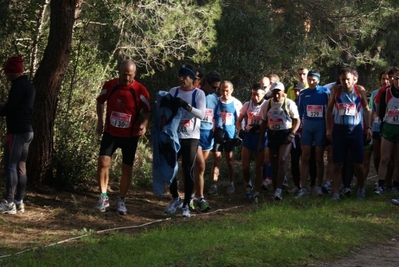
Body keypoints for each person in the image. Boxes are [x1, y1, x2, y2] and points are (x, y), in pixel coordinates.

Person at [95, 59, 151, 215]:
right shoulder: (110, 85)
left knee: (127, 167)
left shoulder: (140, 90)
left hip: (130, 135)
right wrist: (100, 121)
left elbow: (147, 110)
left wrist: (144, 124)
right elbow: (100, 101)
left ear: (135, 74)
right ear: (119, 72)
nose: (127, 78)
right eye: (124, 74)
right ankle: (103, 197)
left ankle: (121, 199)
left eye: (130, 75)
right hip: (111, 132)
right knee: (103, 162)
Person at [164, 64, 206, 218]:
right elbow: (165, 110)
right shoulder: (173, 91)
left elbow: (201, 115)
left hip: (191, 137)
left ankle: (187, 204)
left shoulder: (199, 94)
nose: (181, 79)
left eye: (185, 77)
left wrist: (186, 106)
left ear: (191, 79)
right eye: (180, 76)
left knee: (188, 169)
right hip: (174, 136)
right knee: (171, 169)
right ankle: (175, 198)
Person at [326, 68, 371, 201]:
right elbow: (328, 110)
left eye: (348, 79)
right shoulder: (336, 90)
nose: (346, 82)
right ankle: (336, 192)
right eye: (343, 79)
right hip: (339, 129)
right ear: (340, 79)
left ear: (353, 80)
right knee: (337, 163)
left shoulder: (360, 90)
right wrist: (328, 129)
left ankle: (361, 189)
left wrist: (368, 127)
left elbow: (366, 109)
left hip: (355, 129)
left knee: (359, 164)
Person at [0, 56, 35, 215]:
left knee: (10, 166)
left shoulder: (18, 86)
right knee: (21, 167)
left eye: (7, 72)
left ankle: (8, 202)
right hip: (27, 131)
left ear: (13, 71)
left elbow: (9, 108)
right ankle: (19, 201)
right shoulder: (28, 85)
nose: (6, 75)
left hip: (17, 133)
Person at [258, 82, 300, 201]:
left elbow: (297, 121)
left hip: (285, 135)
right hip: (272, 135)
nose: (276, 95)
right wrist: (260, 142)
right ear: (271, 93)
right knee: (274, 163)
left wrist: (291, 135)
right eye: (274, 93)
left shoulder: (289, 103)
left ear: (283, 92)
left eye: (279, 93)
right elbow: (263, 123)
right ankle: (276, 189)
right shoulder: (267, 104)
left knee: (282, 160)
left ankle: (279, 191)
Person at [190, 70, 222, 212]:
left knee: (199, 170)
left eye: (217, 88)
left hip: (207, 136)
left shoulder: (215, 99)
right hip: (194, 134)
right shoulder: (196, 94)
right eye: (214, 87)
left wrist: (219, 131)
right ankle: (200, 198)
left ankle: (191, 197)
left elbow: (218, 116)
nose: (216, 90)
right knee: (200, 166)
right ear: (206, 83)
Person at [296, 71, 330, 198]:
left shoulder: (325, 92)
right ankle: (303, 187)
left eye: (314, 80)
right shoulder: (303, 94)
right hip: (308, 127)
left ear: (318, 80)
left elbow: (329, 110)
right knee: (305, 157)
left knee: (319, 158)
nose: (311, 82)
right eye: (309, 79)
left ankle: (318, 186)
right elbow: (299, 113)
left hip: (320, 127)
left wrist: (328, 128)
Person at [209, 81, 242, 195]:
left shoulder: (236, 103)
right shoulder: (216, 101)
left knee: (229, 160)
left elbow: (240, 120)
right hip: (217, 135)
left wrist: (239, 135)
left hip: (230, 136)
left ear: (232, 90)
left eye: (227, 90)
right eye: (222, 90)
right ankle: (214, 185)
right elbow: (210, 116)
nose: (224, 92)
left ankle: (231, 183)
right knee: (216, 160)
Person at [236, 83, 267, 203]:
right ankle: (249, 184)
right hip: (248, 137)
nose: (255, 97)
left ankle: (257, 192)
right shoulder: (247, 105)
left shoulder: (266, 105)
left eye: (258, 95)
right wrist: (240, 130)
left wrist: (260, 127)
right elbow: (239, 121)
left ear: (263, 94)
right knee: (245, 167)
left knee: (259, 167)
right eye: (253, 94)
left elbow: (269, 121)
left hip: (261, 137)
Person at [375, 67, 399, 195]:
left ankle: (395, 185)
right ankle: (381, 184)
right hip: (388, 128)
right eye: (396, 78)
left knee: (398, 160)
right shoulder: (385, 93)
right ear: (393, 78)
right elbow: (380, 112)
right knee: (384, 158)